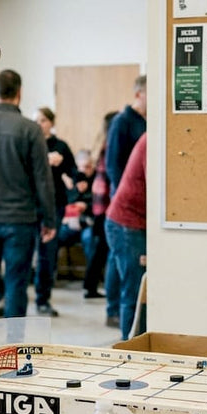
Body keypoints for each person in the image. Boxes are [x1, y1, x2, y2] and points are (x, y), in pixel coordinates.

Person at [0, 70, 56, 324]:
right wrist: (49, 220)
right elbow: (43, 179)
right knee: (17, 282)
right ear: (19, 93)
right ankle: (13, 348)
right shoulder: (30, 129)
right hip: (20, 221)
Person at [104, 75, 147, 328]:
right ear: (139, 94)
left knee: (128, 276)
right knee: (131, 286)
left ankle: (124, 324)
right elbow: (113, 165)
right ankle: (125, 337)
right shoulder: (122, 121)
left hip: (131, 212)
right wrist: (120, 193)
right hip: (124, 213)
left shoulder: (145, 124)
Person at [33, 106, 77, 316]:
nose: (39, 124)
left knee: (47, 254)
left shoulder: (61, 146)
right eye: (36, 120)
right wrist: (45, 160)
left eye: (43, 120)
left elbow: (74, 173)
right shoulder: (30, 142)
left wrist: (63, 170)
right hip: (30, 206)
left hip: (54, 205)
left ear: (51, 122)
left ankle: (43, 299)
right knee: (26, 254)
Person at [84, 111, 118, 302]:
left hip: (99, 206)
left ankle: (90, 286)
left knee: (100, 249)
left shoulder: (102, 144)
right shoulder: (109, 146)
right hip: (105, 207)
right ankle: (90, 287)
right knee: (102, 250)